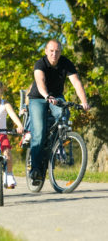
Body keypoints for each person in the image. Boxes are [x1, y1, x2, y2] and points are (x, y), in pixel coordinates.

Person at [28, 39, 90, 182]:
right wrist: (46, 96)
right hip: (38, 98)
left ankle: (55, 143)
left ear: (60, 52)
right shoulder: (40, 64)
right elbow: (40, 82)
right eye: (51, 51)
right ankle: (35, 169)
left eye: (57, 51)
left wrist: (84, 102)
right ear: (46, 51)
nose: (54, 54)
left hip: (56, 97)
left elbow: (76, 82)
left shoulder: (66, 63)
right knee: (38, 132)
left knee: (64, 114)